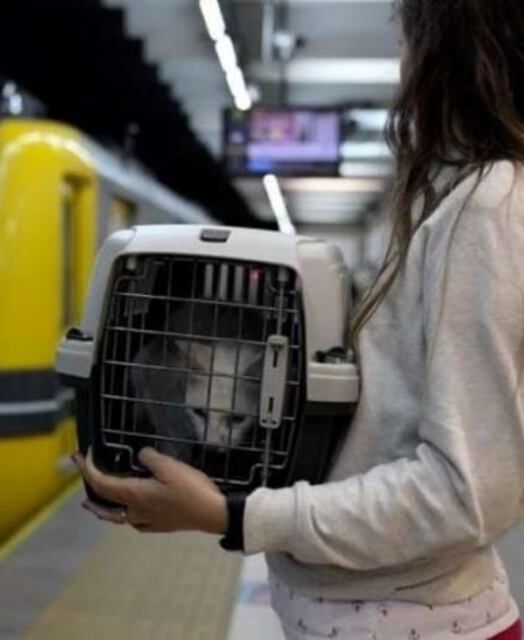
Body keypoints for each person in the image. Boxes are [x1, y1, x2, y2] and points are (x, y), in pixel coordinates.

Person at [75, 1, 524, 638]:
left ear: (446, 50)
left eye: (407, 39)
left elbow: (464, 493)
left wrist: (235, 515)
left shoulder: (488, 205)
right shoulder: (457, 198)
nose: (402, 65)